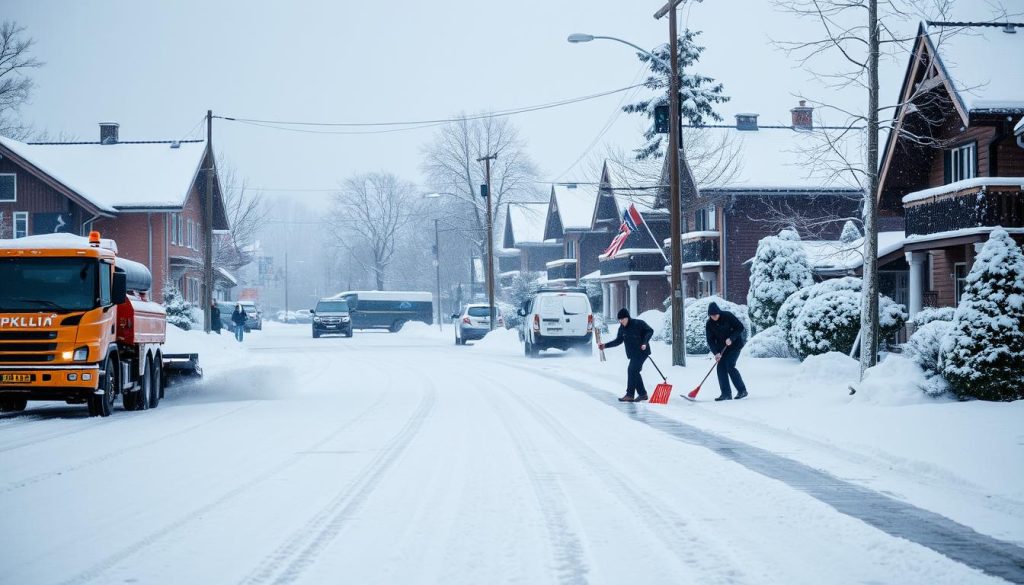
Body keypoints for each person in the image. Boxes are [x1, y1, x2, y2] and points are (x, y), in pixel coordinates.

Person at [598, 308, 655, 402]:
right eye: (619, 320)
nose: (621, 321)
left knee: (632, 370)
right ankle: (642, 394)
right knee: (634, 371)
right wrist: (605, 346)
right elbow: (618, 341)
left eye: (623, 319)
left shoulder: (638, 323)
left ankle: (630, 395)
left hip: (642, 352)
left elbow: (650, 331)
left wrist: (644, 342)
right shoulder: (622, 328)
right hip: (633, 354)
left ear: (627, 317)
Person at [705, 302, 748, 401]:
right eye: (712, 315)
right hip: (722, 349)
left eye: (715, 315)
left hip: (735, 346)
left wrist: (731, 338)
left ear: (719, 312)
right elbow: (710, 340)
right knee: (720, 369)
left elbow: (740, 327)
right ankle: (726, 394)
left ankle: (742, 391)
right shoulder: (709, 324)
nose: (714, 317)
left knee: (730, 366)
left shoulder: (728, 316)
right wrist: (716, 353)